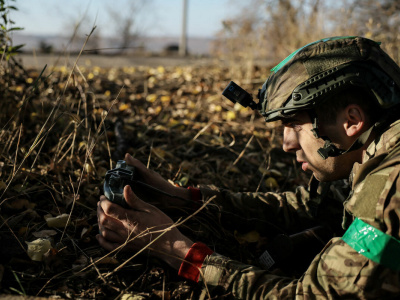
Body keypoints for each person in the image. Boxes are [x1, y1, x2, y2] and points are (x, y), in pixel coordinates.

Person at [97, 36, 400, 298]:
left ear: (351, 121)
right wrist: (180, 197)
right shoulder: (373, 151)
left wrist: (174, 249)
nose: (286, 144)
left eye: (294, 125)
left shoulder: (389, 187)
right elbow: (306, 207)